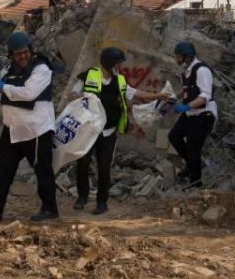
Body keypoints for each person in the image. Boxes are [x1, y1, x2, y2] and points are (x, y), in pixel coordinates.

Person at [68, 46, 168, 214]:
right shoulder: (89, 75)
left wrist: (158, 96)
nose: (119, 66)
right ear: (109, 63)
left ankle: (102, 202)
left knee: (104, 167)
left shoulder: (120, 80)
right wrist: (84, 101)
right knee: (83, 164)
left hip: (108, 132)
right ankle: (82, 197)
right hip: (88, 130)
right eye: (117, 63)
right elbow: (73, 94)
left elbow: (136, 93)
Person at [0, 31, 59, 222]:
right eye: (17, 53)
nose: (22, 56)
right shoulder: (8, 69)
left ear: (30, 50)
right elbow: (3, 86)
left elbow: (29, 93)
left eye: (24, 52)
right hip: (13, 130)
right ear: (11, 55)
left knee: (43, 171)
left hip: (36, 130)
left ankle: (50, 209)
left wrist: (3, 88)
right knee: (3, 172)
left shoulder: (42, 69)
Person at [168, 41, 217, 189]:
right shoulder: (186, 72)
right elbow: (185, 91)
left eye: (178, 56)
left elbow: (205, 96)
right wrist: (171, 99)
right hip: (190, 112)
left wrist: (185, 106)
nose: (176, 59)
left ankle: (196, 183)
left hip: (203, 113)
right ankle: (190, 165)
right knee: (174, 136)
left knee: (193, 147)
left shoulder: (202, 70)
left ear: (186, 56)